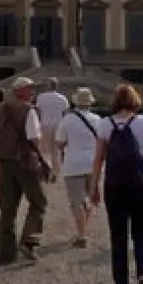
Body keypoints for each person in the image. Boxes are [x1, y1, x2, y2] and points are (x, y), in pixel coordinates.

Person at [91, 84, 143, 284]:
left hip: (115, 186)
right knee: (142, 233)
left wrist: (94, 185)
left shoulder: (105, 124)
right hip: (140, 184)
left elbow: (99, 159)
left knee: (118, 237)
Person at [0, 77, 47, 264]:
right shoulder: (28, 110)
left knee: (7, 207)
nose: (32, 92)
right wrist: (41, 159)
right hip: (24, 161)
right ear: (20, 91)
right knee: (39, 201)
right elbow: (34, 137)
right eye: (29, 89)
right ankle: (29, 240)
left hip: (5, 161)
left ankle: (5, 253)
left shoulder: (0, 109)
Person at [55, 87, 102, 248]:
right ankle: (82, 230)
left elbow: (59, 142)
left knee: (76, 201)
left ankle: (81, 234)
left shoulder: (67, 120)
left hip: (73, 163)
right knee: (87, 199)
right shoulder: (98, 119)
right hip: (93, 163)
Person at [35, 77, 69, 182]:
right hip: (58, 125)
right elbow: (65, 113)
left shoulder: (41, 97)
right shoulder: (62, 98)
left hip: (45, 124)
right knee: (56, 151)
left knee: (44, 150)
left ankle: (46, 169)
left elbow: (38, 112)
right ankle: (55, 172)